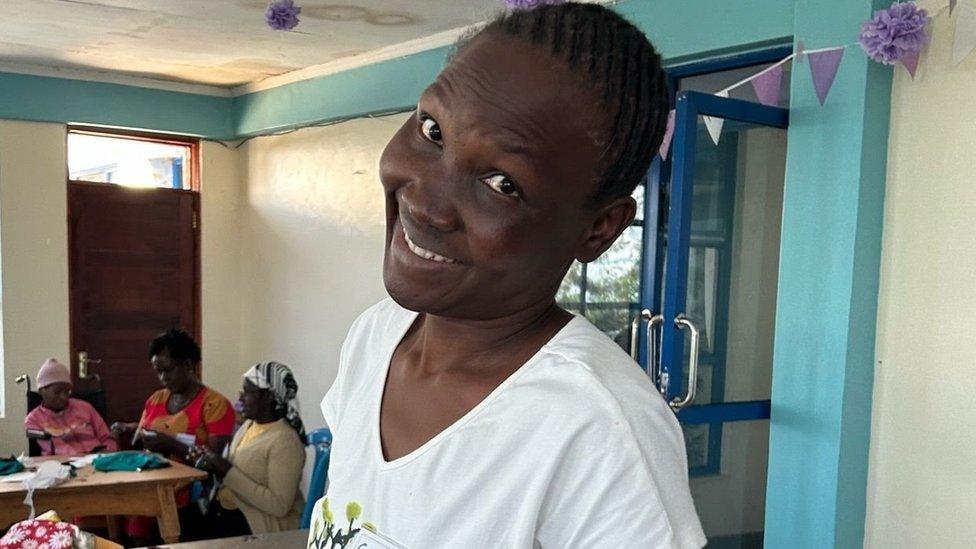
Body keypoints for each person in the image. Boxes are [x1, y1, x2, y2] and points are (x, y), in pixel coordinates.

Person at [307, 3, 706, 548]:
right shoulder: (375, 337)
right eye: (432, 131)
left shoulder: (597, 429)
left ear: (599, 229)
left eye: (501, 183)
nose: (425, 204)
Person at [110, 329, 235, 543]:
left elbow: (213, 463)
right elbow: (144, 434)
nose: (162, 378)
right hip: (151, 483)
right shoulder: (156, 399)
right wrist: (134, 433)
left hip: (191, 494)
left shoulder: (215, 405)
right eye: (158, 371)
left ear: (188, 365)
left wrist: (172, 445)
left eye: (168, 370)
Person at [189, 362, 306, 537]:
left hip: (260, 525)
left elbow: (279, 506)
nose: (241, 399)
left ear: (268, 396)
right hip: (229, 511)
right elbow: (238, 470)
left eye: (247, 392)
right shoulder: (249, 426)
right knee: (180, 521)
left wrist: (226, 470)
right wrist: (211, 463)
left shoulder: (285, 441)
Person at [24, 358, 117, 457]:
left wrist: (109, 452)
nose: (64, 397)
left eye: (67, 391)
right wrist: (83, 457)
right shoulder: (33, 420)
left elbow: (106, 436)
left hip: (100, 460)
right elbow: (57, 448)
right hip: (64, 464)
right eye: (57, 392)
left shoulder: (85, 407)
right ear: (42, 391)